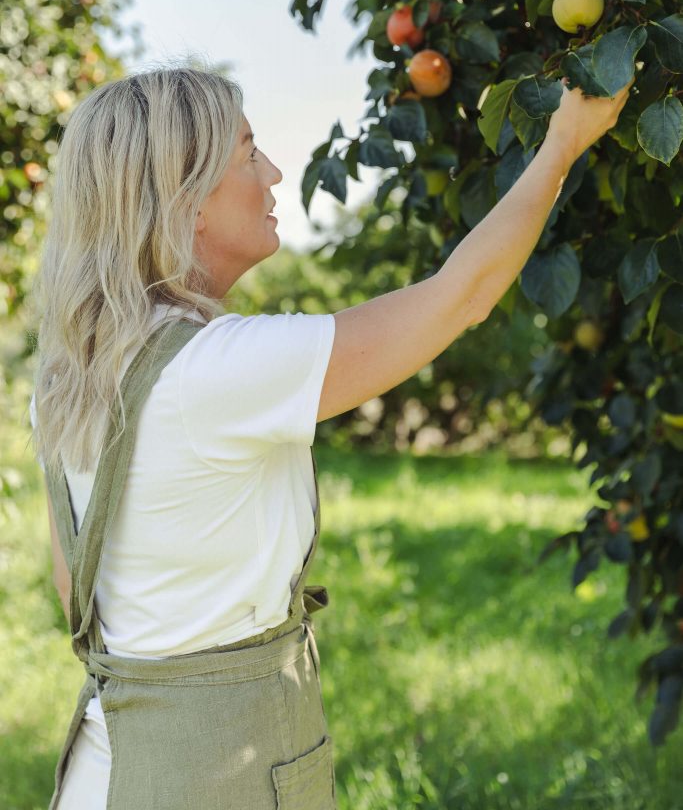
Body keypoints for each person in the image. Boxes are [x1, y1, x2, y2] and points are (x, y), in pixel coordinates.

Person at [29, 64, 632, 810]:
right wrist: (561, 146)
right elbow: (461, 297)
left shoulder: (70, 374)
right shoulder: (216, 371)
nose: (275, 171)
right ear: (185, 204)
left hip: (105, 766)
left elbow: (75, 590)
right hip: (215, 775)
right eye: (249, 153)